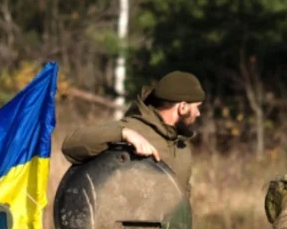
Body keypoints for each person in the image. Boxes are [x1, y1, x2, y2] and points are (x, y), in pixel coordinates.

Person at [61, 71, 205, 195]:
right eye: (197, 107)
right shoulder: (133, 129)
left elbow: (182, 204)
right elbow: (70, 145)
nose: (198, 114)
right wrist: (123, 133)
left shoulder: (182, 147)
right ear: (183, 107)